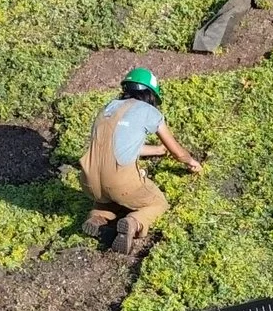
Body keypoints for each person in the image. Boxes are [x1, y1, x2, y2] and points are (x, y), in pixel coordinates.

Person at [81, 69, 202, 256]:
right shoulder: (148, 111)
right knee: (157, 203)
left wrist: (158, 151)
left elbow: (117, 146)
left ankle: (97, 217)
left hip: (89, 181)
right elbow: (178, 152)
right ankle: (134, 222)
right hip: (119, 181)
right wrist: (191, 162)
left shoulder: (108, 108)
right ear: (150, 94)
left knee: (110, 199)